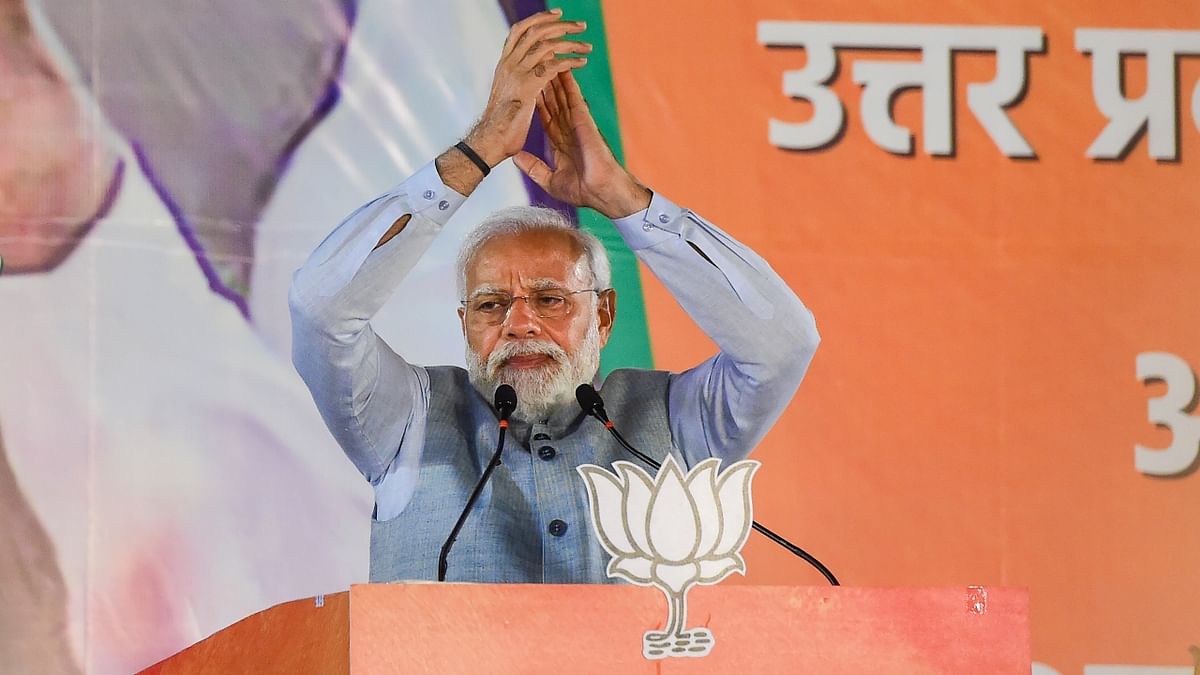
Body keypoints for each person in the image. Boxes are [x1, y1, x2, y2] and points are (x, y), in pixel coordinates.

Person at [289, 9, 820, 584]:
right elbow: (321, 312)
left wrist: (622, 200)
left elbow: (784, 344)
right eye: (492, 305)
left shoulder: (679, 422)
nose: (519, 324)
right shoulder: (407, 419)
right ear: (465, 325)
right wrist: (478, 152)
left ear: (605, 314)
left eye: (549, 299)